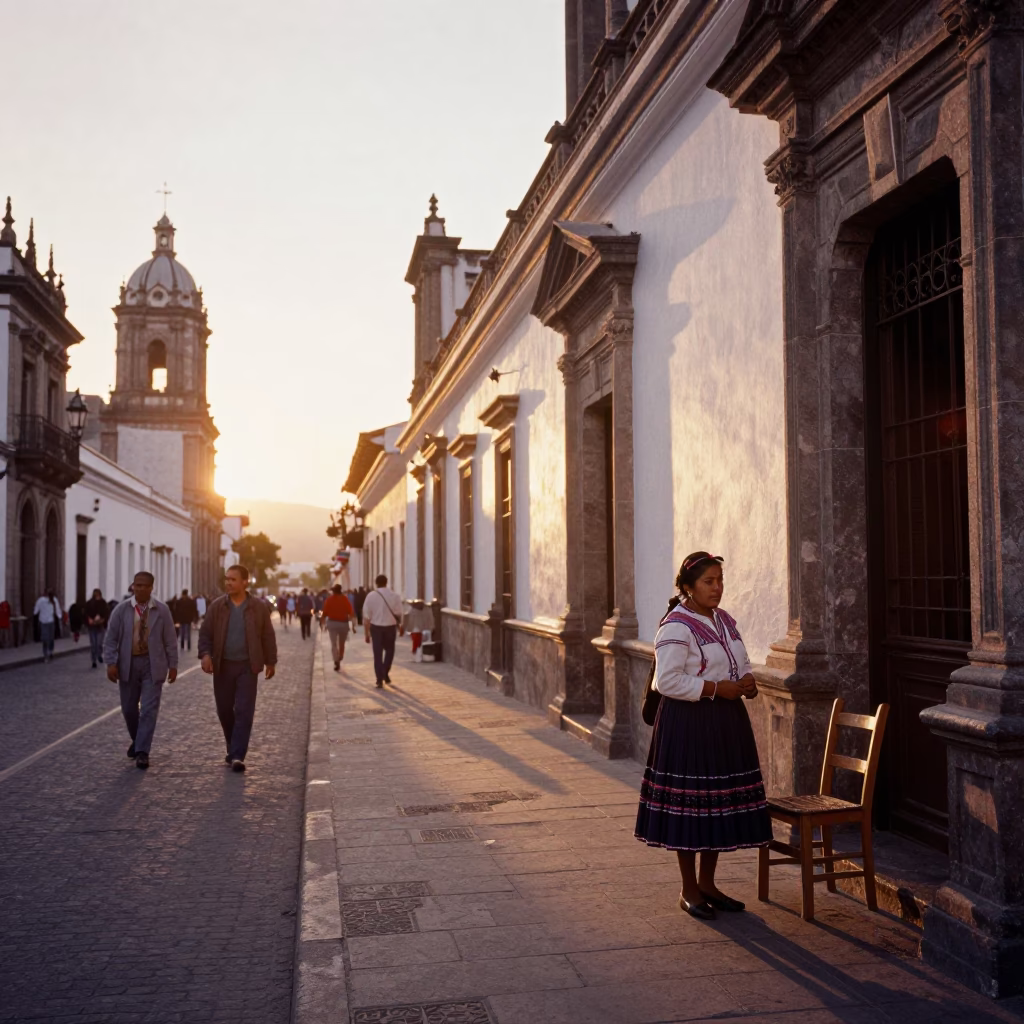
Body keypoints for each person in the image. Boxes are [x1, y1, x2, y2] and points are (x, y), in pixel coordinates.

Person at [634, 551, 770, 920]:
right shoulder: (677, 625)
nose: (717, 587)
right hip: (689, 724)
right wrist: (714, 689)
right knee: (692, 806)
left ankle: (709, 884)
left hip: (726, 723)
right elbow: (667, 681)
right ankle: (688, 889)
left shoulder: (724, 620)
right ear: (688, 587)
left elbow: (737, 661)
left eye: (720, 580)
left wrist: (746, 681)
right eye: (709, 581)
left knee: (717, 806)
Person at [198, 564, 277, 772]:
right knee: (224, 710)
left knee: (244, 710)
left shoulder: (258, 607)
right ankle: (232, 746)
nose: (228, 583)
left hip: (247, 666)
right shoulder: (217, 607)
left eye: (233, 579)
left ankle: (238, 755)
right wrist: (206, 655)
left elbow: (268, 635)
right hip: (223, 666)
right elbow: (205, 633)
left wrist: (271, 661)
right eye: (227, 579)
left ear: (245, 582)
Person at [103, 571, 178, 770]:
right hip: (128, 664)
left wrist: (173, 665)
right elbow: (111, 639)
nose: (141, 589)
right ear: (132, 586)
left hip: (152, 665)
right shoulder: (121, 611)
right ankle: (138, 740)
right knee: (129, 709)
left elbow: (170, 640)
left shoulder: (161, 611)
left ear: (152, 588)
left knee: (148, 710)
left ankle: (142, 752)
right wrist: (111, 663)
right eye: (137, 585)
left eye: (145, 586)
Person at [362, 574, 404, 688]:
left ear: (376, 583)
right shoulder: (394, 595)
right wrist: (401, 627)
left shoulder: (370, 596)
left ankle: (379, 678)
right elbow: (399, 613)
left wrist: (366, 633)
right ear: (386, 582)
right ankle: (385, 671)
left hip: (376, 628)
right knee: (390, 651)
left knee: (377, 653)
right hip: (390, 627)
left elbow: (366, 616)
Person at [321, 584, 354, 671]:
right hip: (343, 623)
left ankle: (336, 660)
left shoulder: (329, 600)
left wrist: (322, 623)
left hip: (332, 623)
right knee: (342, 643)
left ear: (333, 591)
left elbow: (324, 613)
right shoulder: (345, 599)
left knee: (333, 643)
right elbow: (351, 612)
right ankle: (340, 656)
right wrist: (353, 625)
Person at [33, 589, 63, 662]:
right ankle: (47, 653)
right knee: (47, 638)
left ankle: (49, 652)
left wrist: (59, 616)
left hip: (49, 621)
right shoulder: (41, 601)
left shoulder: (53, 600)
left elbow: (57, 609)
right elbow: (36, 610)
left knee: (49, 638)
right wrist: (59, 616)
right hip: (45, 622)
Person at [85, 588, 109, 669]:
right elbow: (86, 613)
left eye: (98, 594)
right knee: (93, 644)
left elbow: (106, 613)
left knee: (99, 643)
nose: (97, 596)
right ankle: (93, 660)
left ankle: (99, 654)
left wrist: (102, 618)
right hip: (92, 626)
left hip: (100, 626)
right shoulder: (89, 603)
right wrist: (89, 619)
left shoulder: (103, 603)